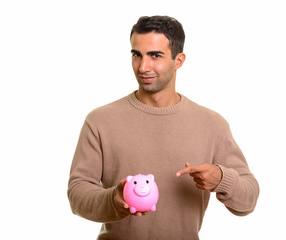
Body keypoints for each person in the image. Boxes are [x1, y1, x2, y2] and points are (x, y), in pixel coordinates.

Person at [67, 15, 259, 240]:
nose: (143, 66)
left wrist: (221, 178)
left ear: (178, 61)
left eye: (155, 56)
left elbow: (249, 200)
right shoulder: (100, 120)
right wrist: (112, 200)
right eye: (136, 55)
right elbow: (77, 194)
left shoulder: (212, 124)